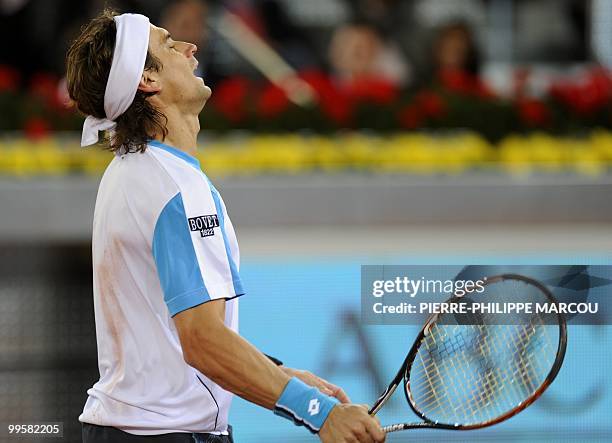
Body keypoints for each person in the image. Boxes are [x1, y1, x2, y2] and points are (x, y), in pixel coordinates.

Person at [65, 9, 385, 443]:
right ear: (148, 81)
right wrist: (320, 413)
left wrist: (275, 373)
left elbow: (175, 335)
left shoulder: (134, 172)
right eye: (168, 44)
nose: (190, 47)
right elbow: (202, 339)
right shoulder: (172, 186)